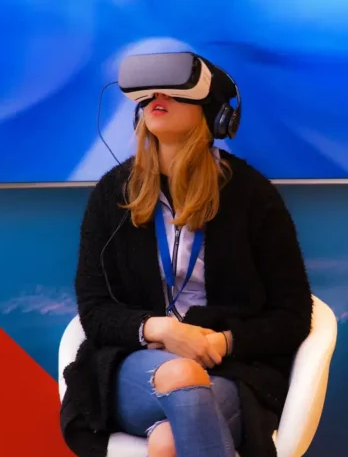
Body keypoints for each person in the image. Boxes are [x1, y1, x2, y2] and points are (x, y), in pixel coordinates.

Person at [60, 54, 313, 457]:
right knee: (180, 374)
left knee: (168, 443)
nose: (158, 97)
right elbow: (94, 310)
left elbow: (293, 314)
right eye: (150, 94)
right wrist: (162, 330)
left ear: (215, 115)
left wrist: (223, 342)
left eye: (175, 92)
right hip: (134, 365)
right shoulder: (113, 194)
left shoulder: (251, 195)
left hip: (230, 370)